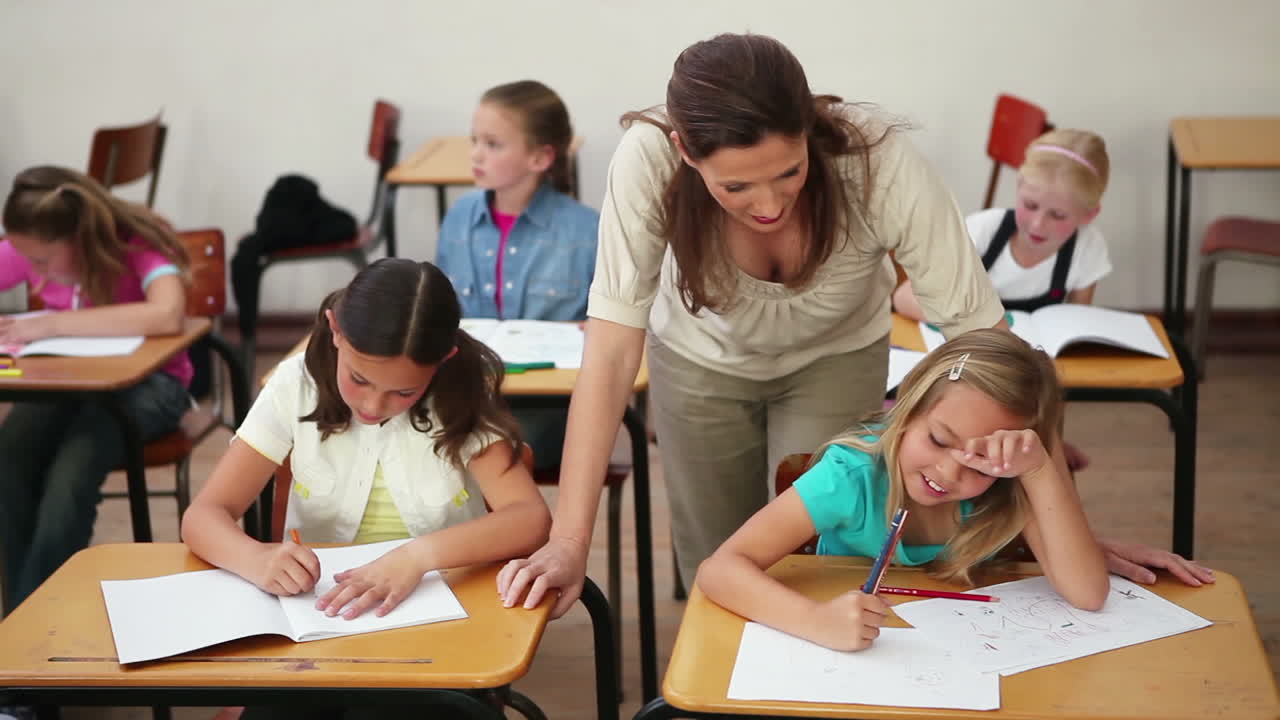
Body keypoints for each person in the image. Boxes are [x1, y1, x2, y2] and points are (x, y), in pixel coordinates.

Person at [498, 33, 1013, 616]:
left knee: (819, 554)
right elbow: (612, 353)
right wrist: (568, 543)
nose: (768, 205)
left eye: (789, 172)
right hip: (699, 362)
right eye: (736, 186)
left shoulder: (878, 162)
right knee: (715, 559)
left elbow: (986, 344)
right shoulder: (647, 160)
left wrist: (1059, 516)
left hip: (835, 357)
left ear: (809, 133)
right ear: (685, 152)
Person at [181, 259, 551, 720]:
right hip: (318, 630)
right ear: (334, 330)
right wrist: (255, 557)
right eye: (358, 379)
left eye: (404, 392)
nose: (374, 405)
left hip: (441, 633)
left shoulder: (460, 397)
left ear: (443, 361)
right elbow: (204, 516)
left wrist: (417, 557)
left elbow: (529, 517)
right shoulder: (294, 386)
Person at [696, 330, 1214, 651]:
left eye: (980, 462)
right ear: (905, 409)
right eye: (938, 439)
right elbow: (720, 569)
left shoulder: (1010, 485)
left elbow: (1087, 593)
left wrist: (1038, 471)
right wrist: (814, 620)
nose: (949, 472)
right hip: (855, 658)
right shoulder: (851, 475)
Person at [0, 165, 192, 609]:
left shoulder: (134, 245)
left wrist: (52, 323)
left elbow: (167, 314)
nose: (32, 271)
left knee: (72, 471)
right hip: (65, 385)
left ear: (81, 238)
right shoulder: (32, 247)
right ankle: (18, 614)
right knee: (9, 455)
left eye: (43, 262)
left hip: (151, 387)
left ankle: (40, 614)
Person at [894, 128, 1112, 471]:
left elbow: (1076, 323)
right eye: (1030, 206)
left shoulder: (1087, 248)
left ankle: (1045, 448)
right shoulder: (983, 232)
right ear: (1019, 189)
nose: (1039, 223)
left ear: (1088, 215)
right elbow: (904, 297)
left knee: (1044, 386)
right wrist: (976, 326)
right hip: (964, 364)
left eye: (1058, 215)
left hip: (1031, 380)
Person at [437, 80, 599, 470]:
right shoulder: (459, 216)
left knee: (498, 450)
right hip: (469, 391)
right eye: (474, 140)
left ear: (540, 158)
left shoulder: (587, 231)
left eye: (493, 145)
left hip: (551, 401)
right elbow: (441, 309)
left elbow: (605, 328)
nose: (475, 154)